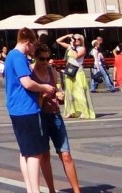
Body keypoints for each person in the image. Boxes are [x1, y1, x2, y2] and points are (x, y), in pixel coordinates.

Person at [4, 27, 56, 193]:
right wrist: (44, 87)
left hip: (15, 108)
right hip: (27, 108)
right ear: (27, 42)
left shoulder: (10, 56)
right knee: (35, 153)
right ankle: (35, 190)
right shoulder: (18, 57)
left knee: (25, 151)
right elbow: (27, 83)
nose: (34, 50)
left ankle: (30, 188)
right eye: (33, 45)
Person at [31, 42, 82, 193]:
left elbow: (58, 89)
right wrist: (42, 94)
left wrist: (60, 95)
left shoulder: (52, 71)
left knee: (65, 154)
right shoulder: (30, 74)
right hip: (39, 115)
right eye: (42, 59)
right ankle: (51, 190)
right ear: (35, 57)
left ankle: (77, 190)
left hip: (55, 115)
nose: (46, 62)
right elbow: (28, 96)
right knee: (44, 155)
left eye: (48, 58)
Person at [55, 34, 95, 119]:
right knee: (69, 92)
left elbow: (76, 56)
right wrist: (67, 36)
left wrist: (72, 47)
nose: (76, 40)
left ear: (81, 41)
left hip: (77, 72)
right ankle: (70, 111)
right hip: (70, 71)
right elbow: (58, 40)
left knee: (79, 92)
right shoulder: (70, 46)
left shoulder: (82, 49)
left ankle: (83, 111)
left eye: (78, 39)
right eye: (75, 39)